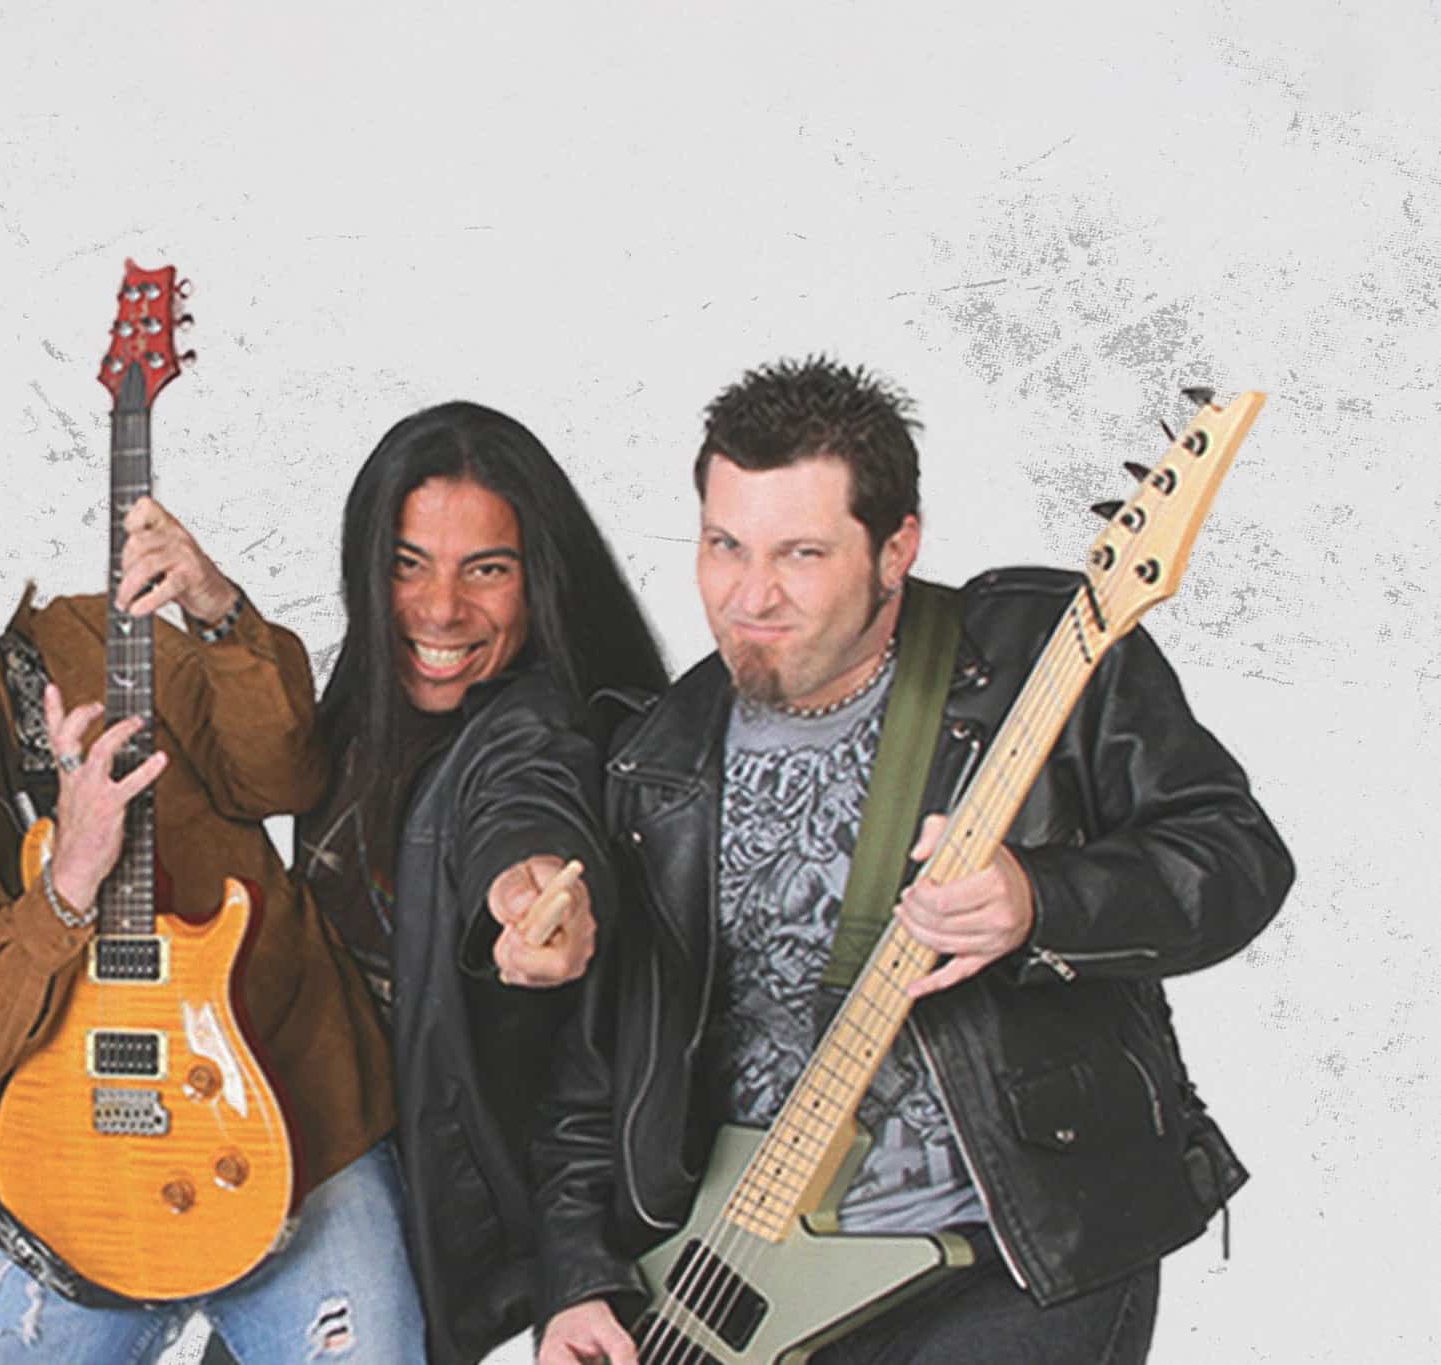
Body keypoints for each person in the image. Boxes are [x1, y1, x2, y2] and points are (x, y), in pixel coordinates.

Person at [533, 357, 1294, 1364]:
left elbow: (1233, 857)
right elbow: (598, 1066)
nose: (750, 595)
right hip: (727, 1284)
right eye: (724, 546)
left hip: (1005, 1262)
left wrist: (1042, 901)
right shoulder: (658, 754)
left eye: (801, 553)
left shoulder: (1040, 654)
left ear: (896, 549)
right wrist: (577, 1277)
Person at [0, 458, 419, 1364]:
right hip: (70, 1186)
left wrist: (218, 610)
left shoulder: (98, 642)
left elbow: (287, 776)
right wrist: (65, 886)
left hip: (294, 1121)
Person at [298, 402, 668, 1363]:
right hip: (329, 1196)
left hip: (475, 1263)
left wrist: (532, 888)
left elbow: (529, 803)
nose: (440, 609)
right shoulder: (360, 713)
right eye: (408, 563)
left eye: (487, 569)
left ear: (541, 581)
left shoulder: (539, 729)